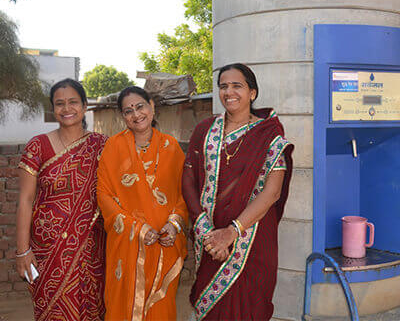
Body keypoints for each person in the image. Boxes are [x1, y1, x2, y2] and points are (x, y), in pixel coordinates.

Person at [182, 63, 294, 320]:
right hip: (209, 238)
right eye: (223, 86)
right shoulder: (205, 130)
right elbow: (188, 180)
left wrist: (231, 232)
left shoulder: (269, 133)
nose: (229, 92)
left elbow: (272, 192)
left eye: (237, 86)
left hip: (252, 239)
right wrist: (206, 232)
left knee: (249, 306)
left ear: (252, 93)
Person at [16, 78, 107, 321]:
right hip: (47, 249)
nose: (66, 109)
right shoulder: (38, 146)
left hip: (91, 247)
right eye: (59, 103)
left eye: (73, 102)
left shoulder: (102, 146)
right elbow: (25, 199)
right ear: (53, 109)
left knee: (91, 309)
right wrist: (22, 251)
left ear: (85, 106)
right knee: (51, 311)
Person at [97, 86, 188, 321]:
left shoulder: (172, 148)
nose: (136, 115)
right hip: (127, 248)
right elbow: (104, 195)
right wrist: (137, 230)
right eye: (128, 111)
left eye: (140, 106)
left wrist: (174, 225)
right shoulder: (113, 148)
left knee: (161, 310)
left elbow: (184, 194)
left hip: (164, 246)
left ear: (152, 106)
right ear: (122, 117)